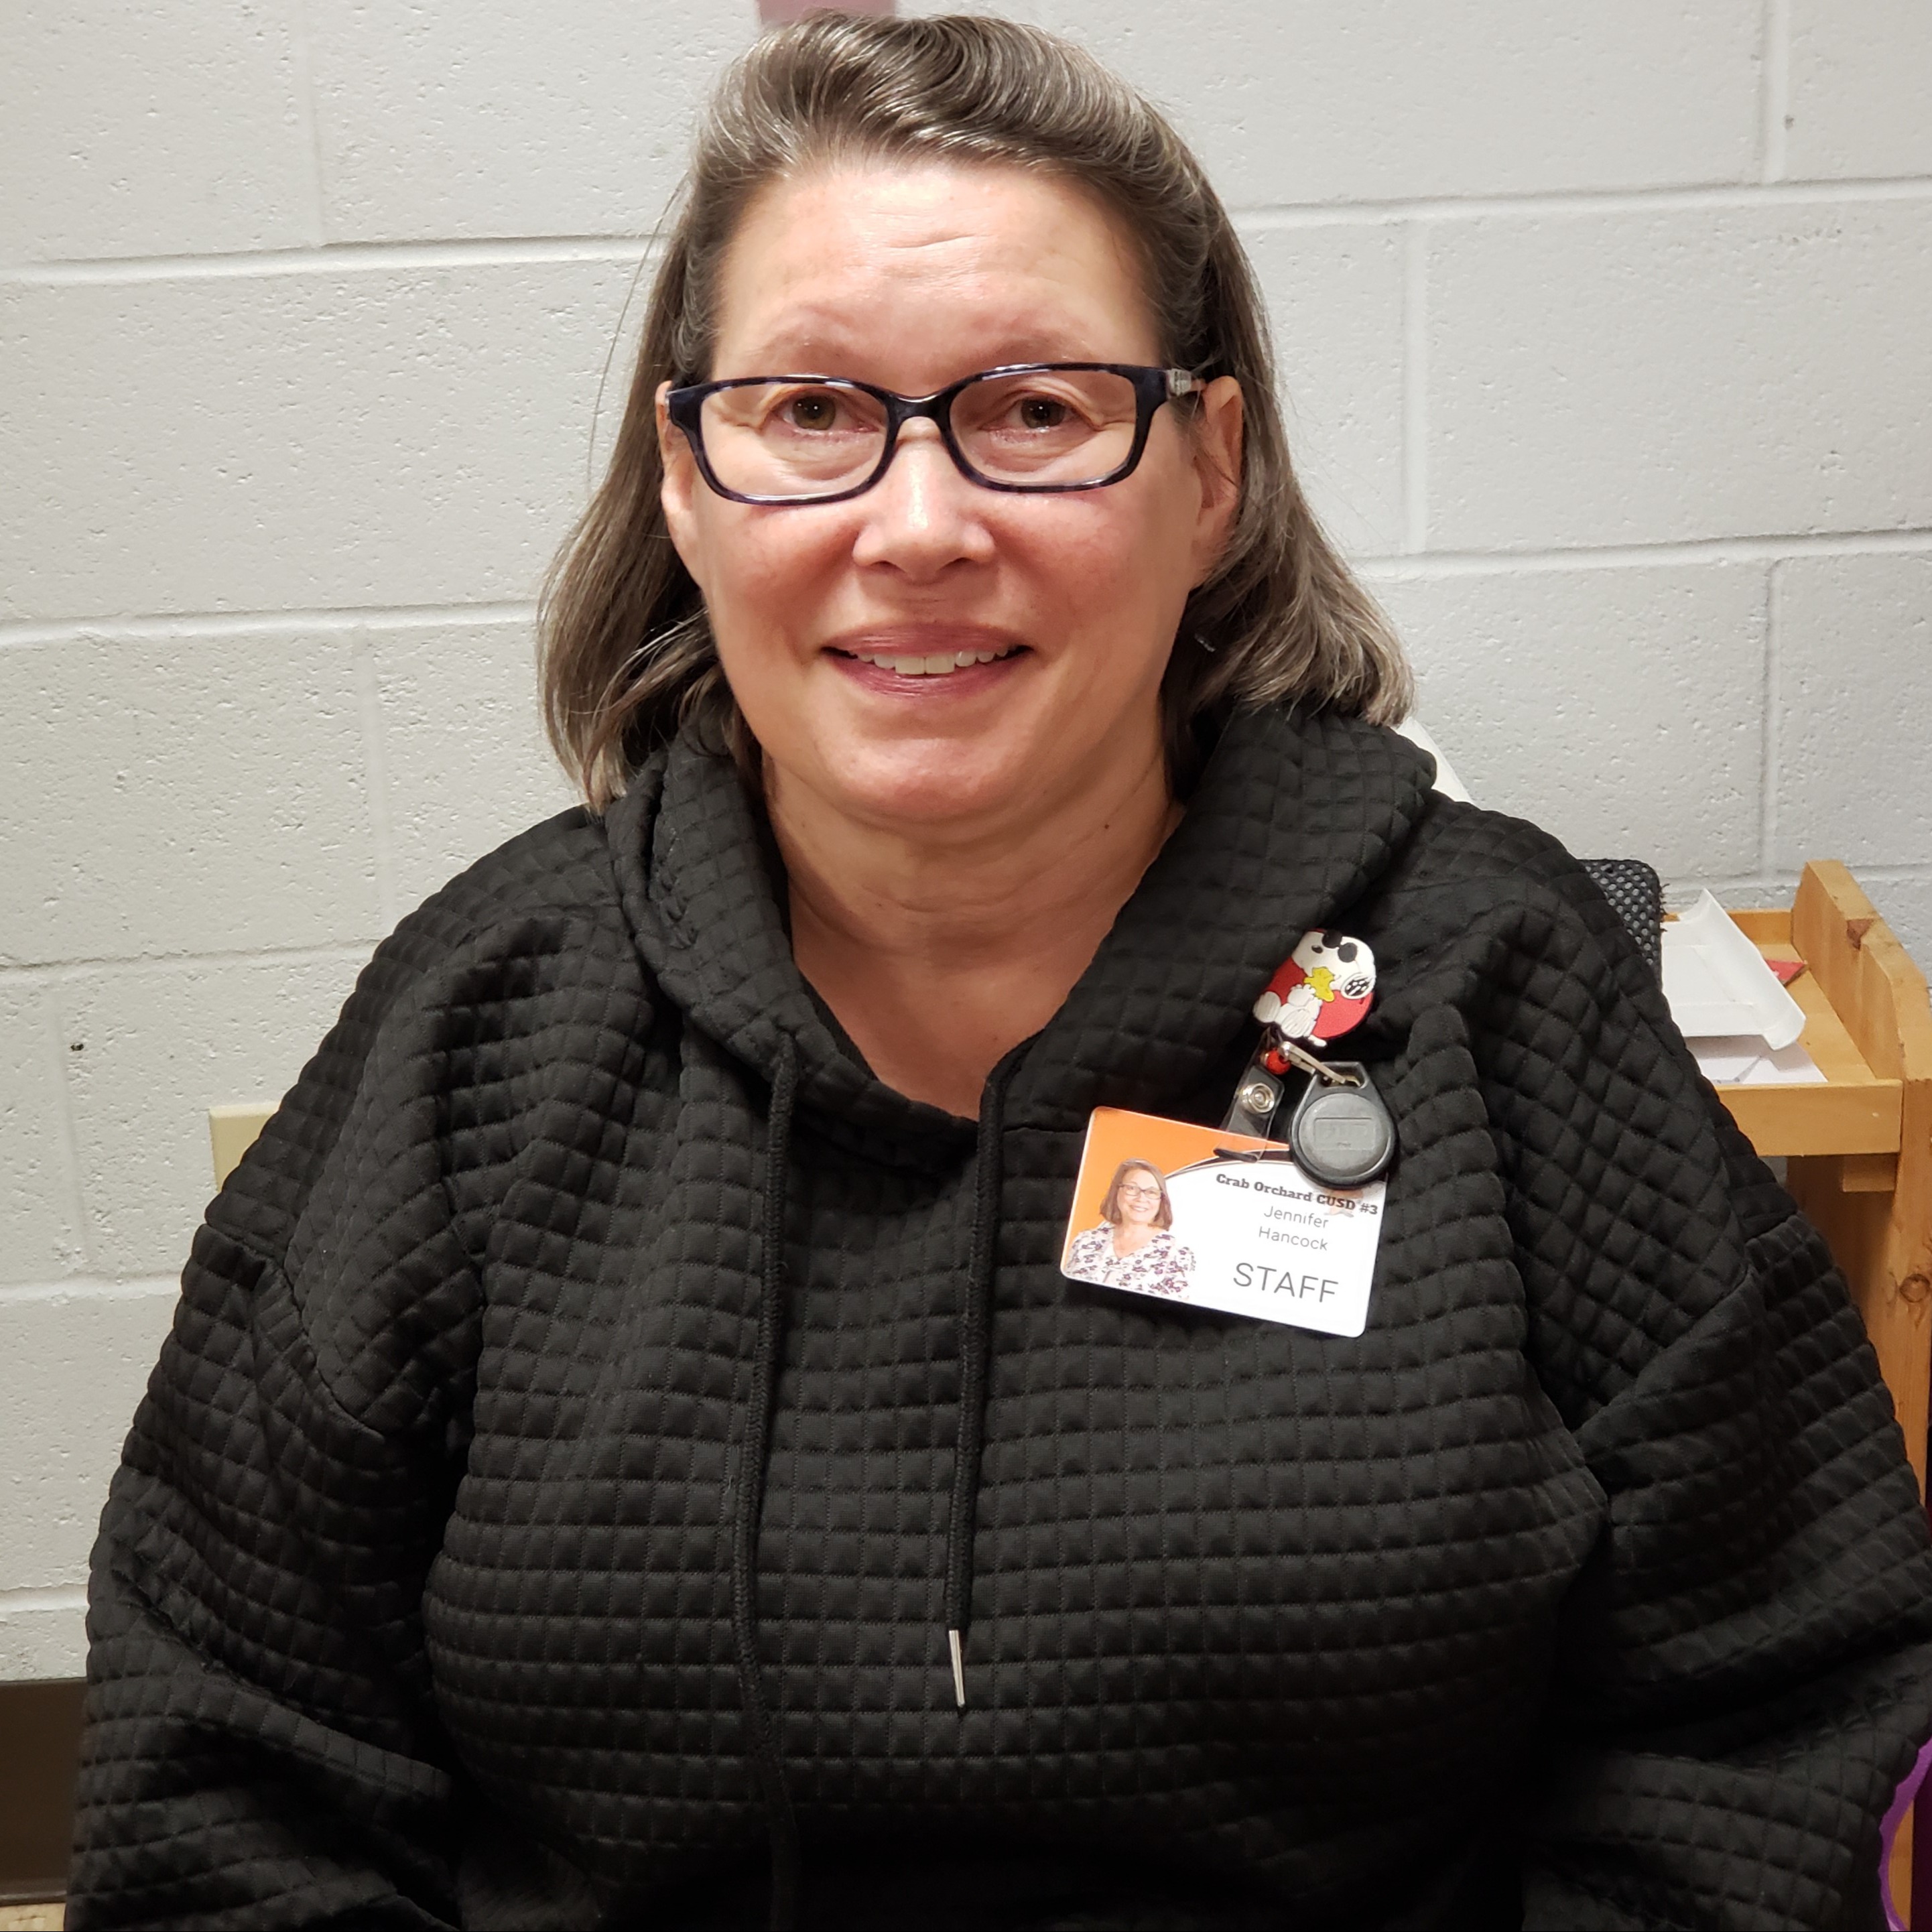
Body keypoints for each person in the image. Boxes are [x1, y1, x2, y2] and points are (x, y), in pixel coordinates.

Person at [68, 15, 1932, 1930]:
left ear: (1207, 473)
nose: (918, 526)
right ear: (689, 480)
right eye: (808, 414)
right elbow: (225, 1778)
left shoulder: (1495, 984)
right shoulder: (482, 1027)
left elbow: (1778, 1697)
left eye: (1035, 411)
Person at [1064, 1159, 1195, 1297]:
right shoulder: (1085, 1241)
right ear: (1117, 1192)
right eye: (1132, 1188)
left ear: (1161, 1201)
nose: (1141, 1198)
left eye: (1151, 1192)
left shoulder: (1177, 1255)